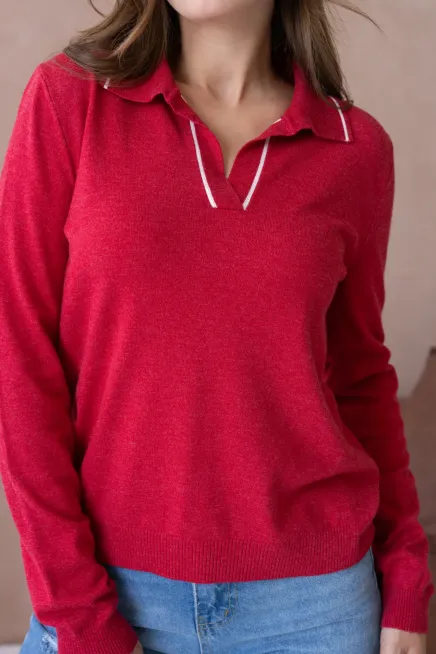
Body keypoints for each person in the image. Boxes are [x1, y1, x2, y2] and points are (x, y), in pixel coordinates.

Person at [0, 0, 433, 652]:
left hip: (315, 609)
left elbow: (362, 380)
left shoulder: (356, 149)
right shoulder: (70, 102)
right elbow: (17, 358)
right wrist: (78, 613)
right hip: (110, 595)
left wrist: (405, 577)